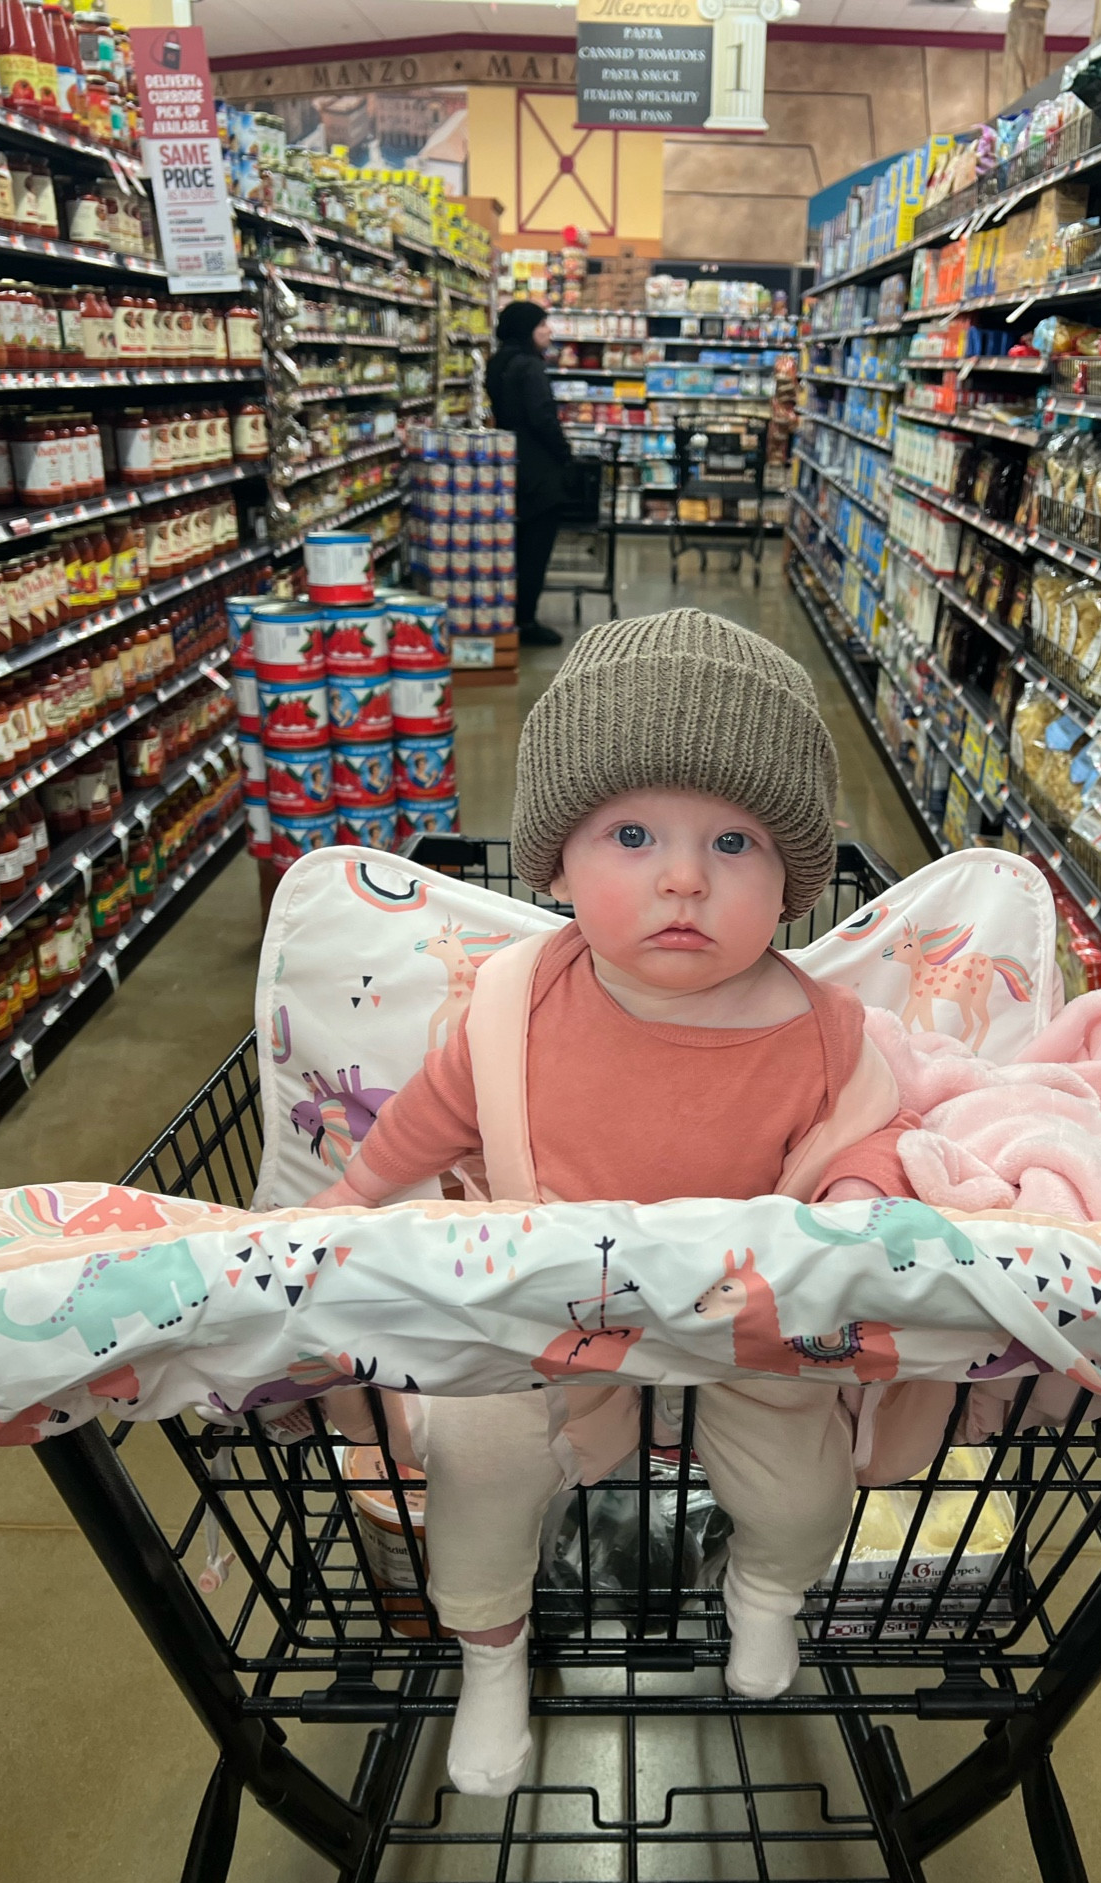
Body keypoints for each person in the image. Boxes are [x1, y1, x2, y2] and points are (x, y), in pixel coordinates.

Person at [308, 609, 914, 1799]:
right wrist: (349, 1200)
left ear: (792, 876)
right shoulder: (518, 1002)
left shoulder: (822, 1031)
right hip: (550, 1308)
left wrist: (858, 1208)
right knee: (474, 1454)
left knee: (802, 1482)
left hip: (746, 1318)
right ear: (556, 857)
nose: (683, 877)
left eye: (734, 841)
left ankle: (767, 1589)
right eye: (631, 832)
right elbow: (441, 1109)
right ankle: (491, 1652)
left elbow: (867, 1143)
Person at [486, 299, 573, 648]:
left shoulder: (498, 363)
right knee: (536, 548)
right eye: (542, 326)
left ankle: (508, 613)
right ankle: (526, 620)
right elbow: (542, 418)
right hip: (538, 471)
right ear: (527, 330)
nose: (549, 331)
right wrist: (565, 454)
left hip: (509, 466)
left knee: (514, 547)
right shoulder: (530, 367)